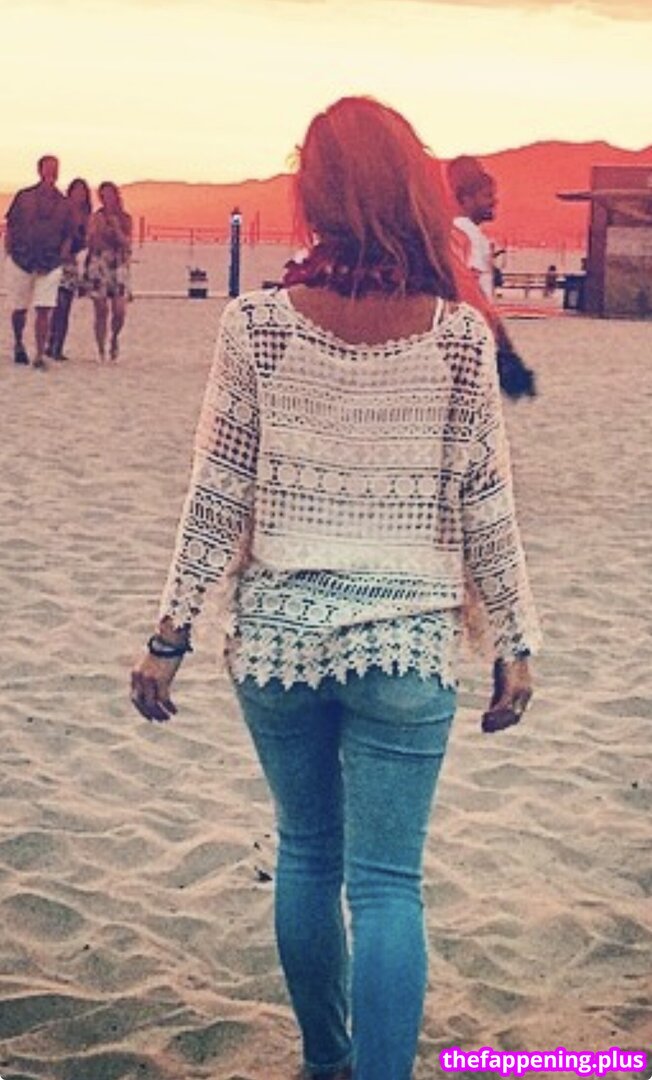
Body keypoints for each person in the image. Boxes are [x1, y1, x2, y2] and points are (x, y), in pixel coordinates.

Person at [130, 96, 541, 1080]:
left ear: (312, 197)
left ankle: (326, 1061)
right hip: (406, 642)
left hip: (277, 639)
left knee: (308, 855)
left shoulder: (257, 326)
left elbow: (217, 493)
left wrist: (169, 634)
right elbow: (485, 504)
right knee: (389, 885)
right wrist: (515, 642)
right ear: (413, 192)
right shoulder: (456, 335)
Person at [447, 154, 536, 399]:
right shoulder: (469, 235)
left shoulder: (451, 231)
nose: (494, 202)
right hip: (473, 341)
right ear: (465, 199)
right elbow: (472, 293)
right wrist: (504, 346)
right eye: (487, 196)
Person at [4, 155, 72, 369]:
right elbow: (11, 224)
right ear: (40, 170)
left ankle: (39, 354)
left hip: (50, 262)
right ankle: (18, 343)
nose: (52, 172)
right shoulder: (24, 197)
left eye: (55, 168)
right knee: (19, 308)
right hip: (22, 258)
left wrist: (62, 254)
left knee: (44, 308)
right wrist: (10, 250)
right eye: (48, 168)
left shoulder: (64, 203)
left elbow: (68, 233)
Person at [83, 181, 132, 361]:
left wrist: (116, 229)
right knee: (101, 309)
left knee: (119, 310)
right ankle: (101, 348)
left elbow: (127, 243)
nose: (107, 199)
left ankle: (114, 338)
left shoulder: (125, 218)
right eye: (103, 196)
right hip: (99, 263)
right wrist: (98, 231)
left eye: (110, 195)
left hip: (118, 264)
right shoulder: (96, 217)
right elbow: (91, 242)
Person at [45, 178, 92, 361]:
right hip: (56, 260)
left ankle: (57, 346)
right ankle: (50, 343)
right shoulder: (61, 209)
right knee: (56, 304)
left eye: (82, 192)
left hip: (71, 263)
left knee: (65, 306)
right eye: (76, 191)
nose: (79, 195)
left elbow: (85, 241)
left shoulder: (86, 216)